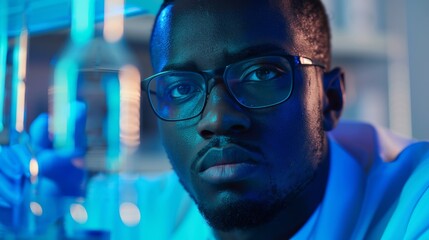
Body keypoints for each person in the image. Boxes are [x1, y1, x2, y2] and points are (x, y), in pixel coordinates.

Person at [1, 0, 429, 239]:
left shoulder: (414, 207)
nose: (218, 118)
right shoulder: (146, 213)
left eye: (262, 73)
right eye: (182, 88)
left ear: (331, 99)